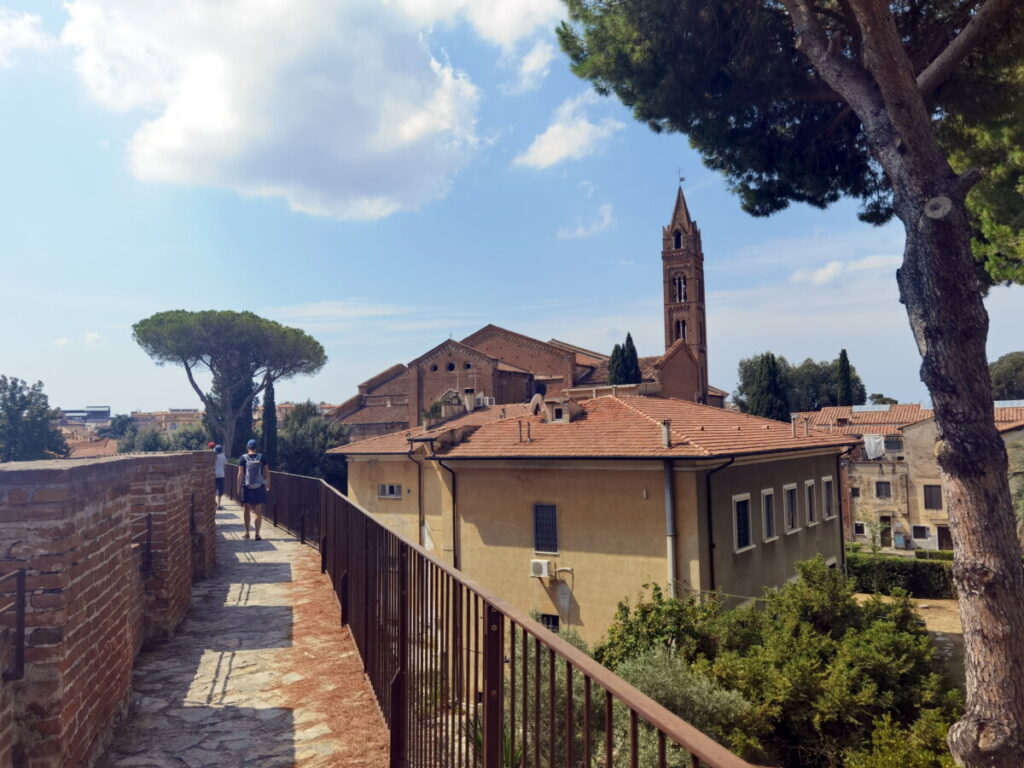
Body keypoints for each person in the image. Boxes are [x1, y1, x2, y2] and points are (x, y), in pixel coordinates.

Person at [237, 438, 270, 540]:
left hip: (247, 486)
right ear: (255, 448)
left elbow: (240, 474)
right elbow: (266, 472)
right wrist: (268, 484)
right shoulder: (262, 457)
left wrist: (238, 487)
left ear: (247, 447)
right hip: (259, 486)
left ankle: (247, 533)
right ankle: (257, 534)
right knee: (258, 510)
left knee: (246, 509)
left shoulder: (243, 458)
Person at [213, 444, 227, 509]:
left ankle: (214, 501)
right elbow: (225, 464)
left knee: (213, 489)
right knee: (219, 490)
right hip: (221, 474)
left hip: (213, 474)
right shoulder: (223, 456)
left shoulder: (213, 456)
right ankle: (219, 504)